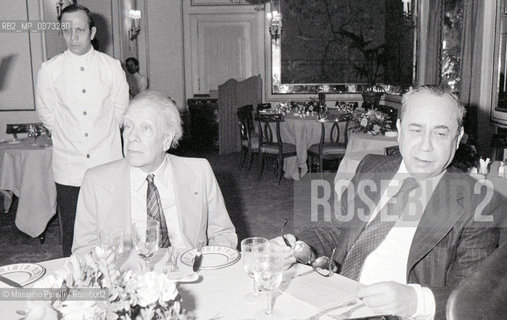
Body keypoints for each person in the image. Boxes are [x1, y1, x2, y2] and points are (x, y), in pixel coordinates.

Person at [279, 86, 506, 320]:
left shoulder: (480, 204)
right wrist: (294, 245)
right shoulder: (371, 167)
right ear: (399, 131)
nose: (425, 145)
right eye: (415, 130)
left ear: (457, 139)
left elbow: (473, 300)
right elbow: (332, 230)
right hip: (334, 299)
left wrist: (417, 301)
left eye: (440, 133)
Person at [72, 90, 237, 256]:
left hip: (188, 268)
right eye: (128, 126)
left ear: (166, 140)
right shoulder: (96, 182)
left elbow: (222, 234)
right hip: (128, 275)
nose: (132, 137)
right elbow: (84, 251)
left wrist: (209, 267)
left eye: (145, 128)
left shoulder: (199, 172)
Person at [36, 4, 129, 257]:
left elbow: (121, 113)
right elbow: (48, 115)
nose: (73, 36)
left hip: (107, 162)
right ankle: (79, 288)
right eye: (67, 30)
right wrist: (72, 140)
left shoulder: (111, 68)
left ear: (92, 32)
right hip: (69, 168)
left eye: (80, 29)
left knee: (112, 232)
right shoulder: (49, 70)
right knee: (75, 236)